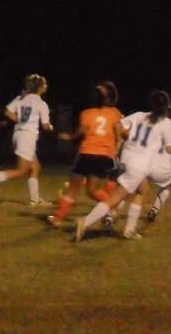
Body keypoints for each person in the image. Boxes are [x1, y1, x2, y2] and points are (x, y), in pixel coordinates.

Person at [75, 90, 171, 241]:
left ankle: (129, 230)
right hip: (139, 165)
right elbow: (169, 149)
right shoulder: (166, 123)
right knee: (115, 198)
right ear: (166, 106)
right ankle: (86, 222)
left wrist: (122, 136)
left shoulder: (139, 115)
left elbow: (118, 124)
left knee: (143, 189)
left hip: (127, 158)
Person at [48, 81, 122, 226]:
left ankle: (58, 218)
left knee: (72, 189)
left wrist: (69, 137)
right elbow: (119, 136)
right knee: (92, 190)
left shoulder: (86, 113)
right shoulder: (115, 113)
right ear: (107, 99)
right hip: (103, 156)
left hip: (86, 154)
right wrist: (115, 150)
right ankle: (112, 207)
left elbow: (81, 132)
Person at [0, 74, 53, 205]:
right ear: (40, 87)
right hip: (28, 137)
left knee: (35, 167)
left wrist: (20, 121)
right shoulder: (41, 103)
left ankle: (35, 199)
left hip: (18, 134)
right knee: (21, 170)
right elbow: (45, 125)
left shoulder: (21, 98)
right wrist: (50, 127)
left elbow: (7, 111)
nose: (46, 86)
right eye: (45, 84)